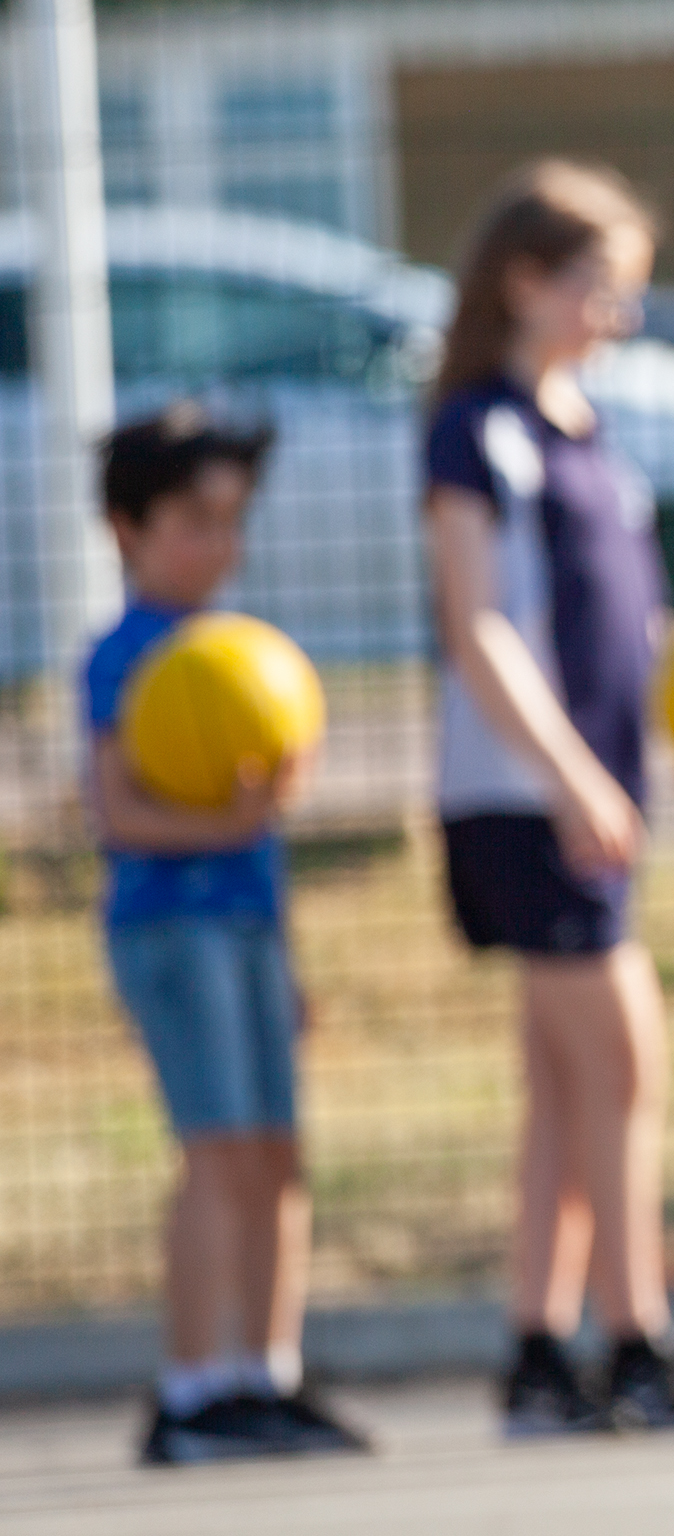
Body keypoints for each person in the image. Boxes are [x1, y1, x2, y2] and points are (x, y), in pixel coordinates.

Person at [424, 159, 674, 1438]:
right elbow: (477, 623)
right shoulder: (475, 429)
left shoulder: (587, 429)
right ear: (526, 281)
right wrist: (568, 775)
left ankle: (540, 1353)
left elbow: (632, 622)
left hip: (591, 797)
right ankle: (636, 1341)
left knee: (566, 1086)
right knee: (624, 1063)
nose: (622, 314)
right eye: (602, 287)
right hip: (526, 799)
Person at [85, 404, 372, 1466]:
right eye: (193, 519)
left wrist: (286, 954)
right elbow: (116, 813)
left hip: (247, 926)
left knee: (276, 1154)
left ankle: (267, 1370)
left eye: (230, 520)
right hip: (171, 930)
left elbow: (257, 839)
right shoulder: (127, 657)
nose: (218, 542)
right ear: (128, 525)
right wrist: (235, 818)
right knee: (215, 1153)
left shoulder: (234, 655)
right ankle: (191, 1386)